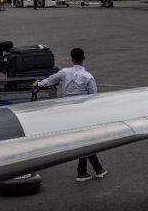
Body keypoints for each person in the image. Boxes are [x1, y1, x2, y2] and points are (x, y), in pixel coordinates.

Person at [33, 48, 106, 182]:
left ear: (72, 59)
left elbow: (50, 80)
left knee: (84, 141)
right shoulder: (88, 76)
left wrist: (38, 84)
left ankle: (97, 169)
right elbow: (94, 98)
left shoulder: (65, 72)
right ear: (83, 58)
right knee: (86, 141)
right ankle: (83, 172)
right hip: (83, 113)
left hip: (68, 112)